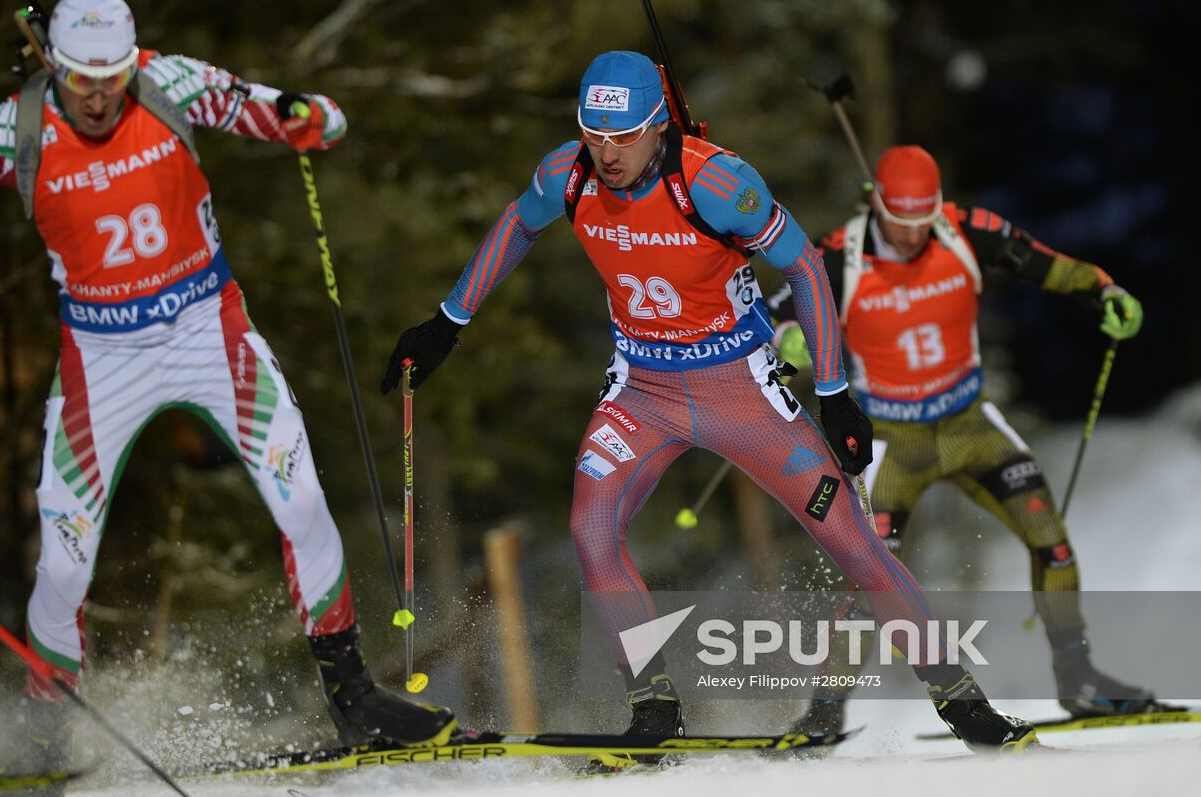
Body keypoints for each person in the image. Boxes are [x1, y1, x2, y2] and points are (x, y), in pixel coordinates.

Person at [0, 0, 458, 774]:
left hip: (210, 330)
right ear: (50, 63)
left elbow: (319, 120)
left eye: (112, 75)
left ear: (132, 60)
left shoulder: (171, 83)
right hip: (102, 359)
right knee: (65, 563)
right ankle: (45, 736)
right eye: (80, 77)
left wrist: (305, 116)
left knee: (301, 499)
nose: (99, 94)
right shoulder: (12, 128)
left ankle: (354, 697)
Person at [381, 51, 1037, 755]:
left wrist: (835, 392)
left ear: (659, 125)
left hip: (741, 394)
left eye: (624, 136)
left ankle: (960, 701)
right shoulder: (567, 175)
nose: (606, 153)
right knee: (591, 531)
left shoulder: (719, 184)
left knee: (854, 542)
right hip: (641, 393)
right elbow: (518, 224)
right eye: (594, 134)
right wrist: (448, 320)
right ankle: (654, 707)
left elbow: (806, 266)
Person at [767, 144, 1159, 735]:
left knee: (1049, 537)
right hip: (890, 441)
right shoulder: (837, 255)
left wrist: (1102, 290)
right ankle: (823, 712)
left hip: (968, 424)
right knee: (869, 572)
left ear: (938, 207)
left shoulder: (966, 230)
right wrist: (789, 337)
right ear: (876, 204)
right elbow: (773, 311)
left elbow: (1045, 263)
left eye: (923, 222)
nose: (911, 236)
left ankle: (1079, 680)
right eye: (900, 223)